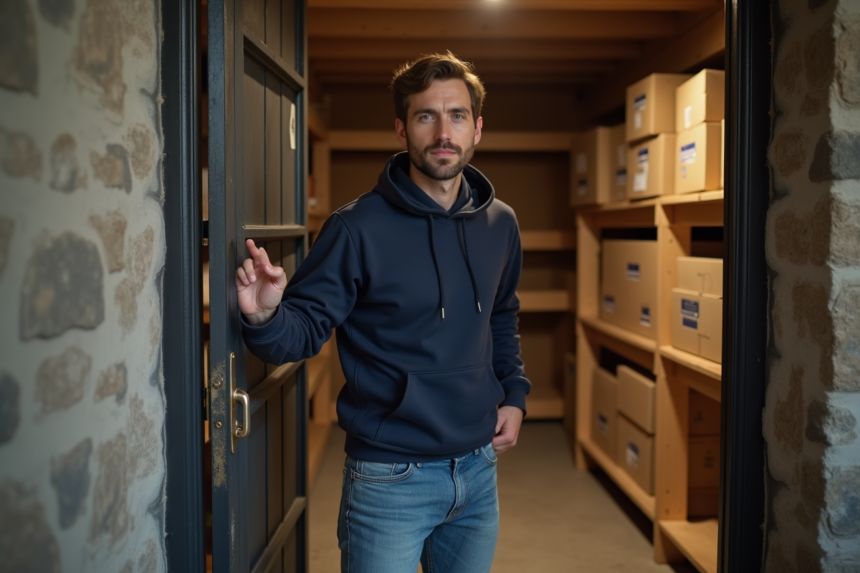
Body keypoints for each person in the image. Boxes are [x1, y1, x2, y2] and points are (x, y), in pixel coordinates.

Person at [236, 52, 530, 573]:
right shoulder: (356, 229)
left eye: (457, 115)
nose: (443, 131)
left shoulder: (501, 224)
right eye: (426, 116)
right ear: (402, 129)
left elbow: (502, 316)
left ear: (477, 128)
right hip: (389, 477)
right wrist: (266, 314)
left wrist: (514, 395)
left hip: (479, 469)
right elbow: (301, 333)